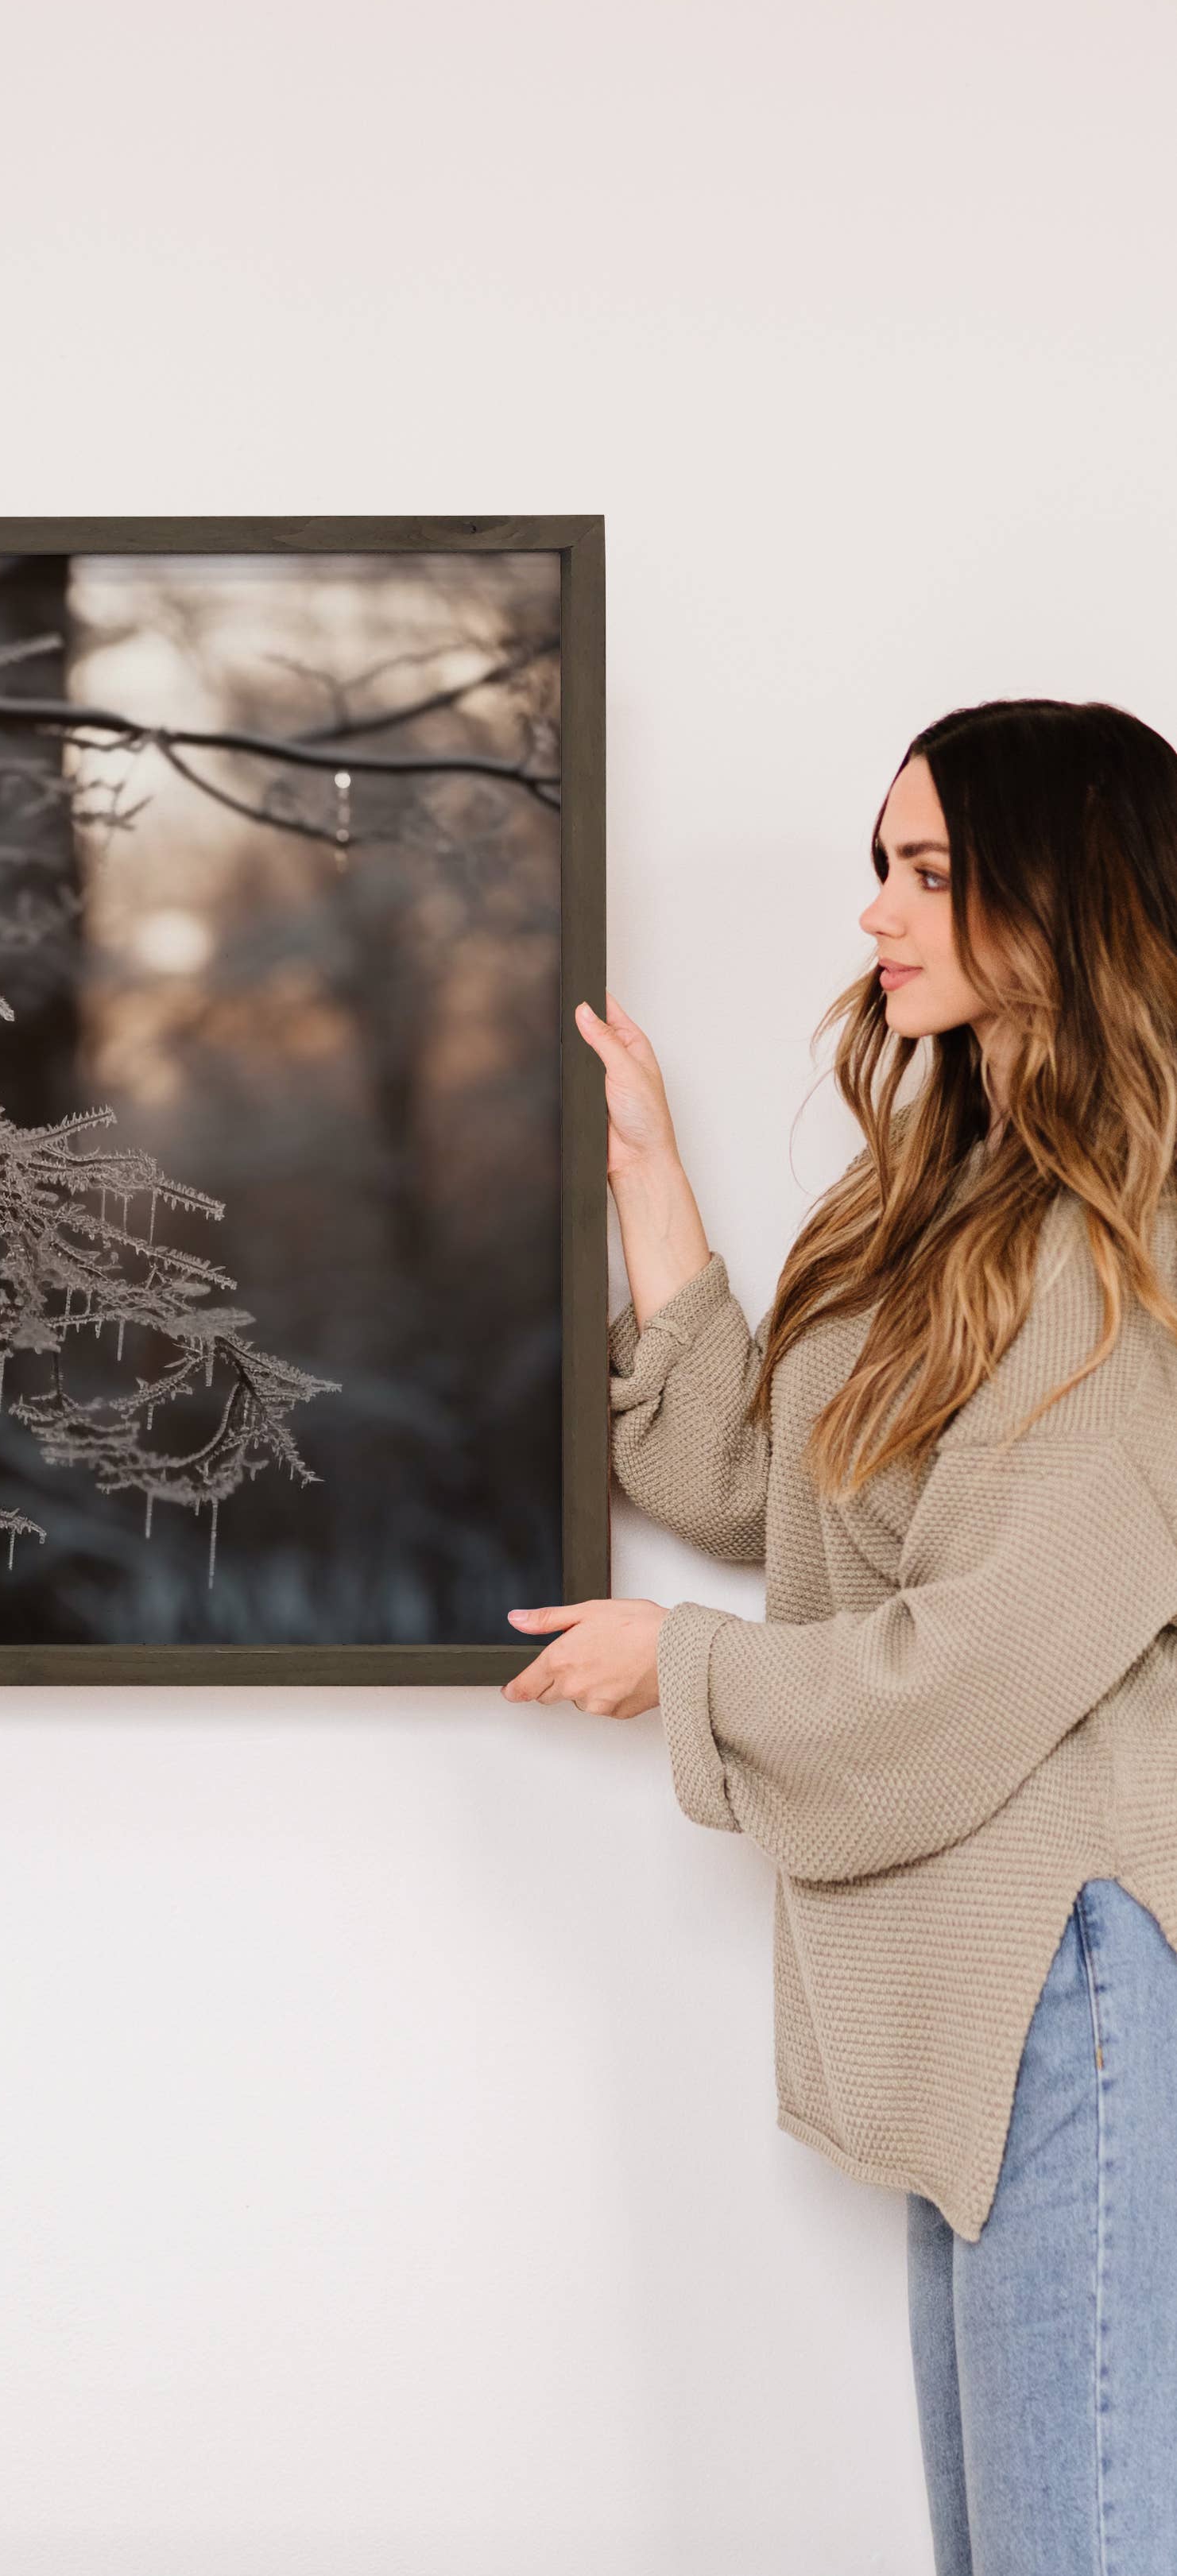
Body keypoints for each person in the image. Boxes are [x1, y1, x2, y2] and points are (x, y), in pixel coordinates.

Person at [504, 700, 1177, 2573]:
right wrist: (646, 1170)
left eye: (934, 873)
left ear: (1070, 898)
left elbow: (980, 1662)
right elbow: (758, 1483)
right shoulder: (945, 1199)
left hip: (1080, 1988)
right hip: (979, 1993)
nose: (882, 914)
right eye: (881, 868)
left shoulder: (1138, 1249)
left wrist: (682, 1672)